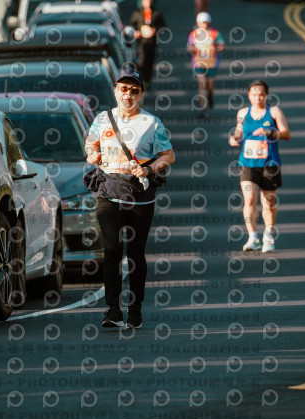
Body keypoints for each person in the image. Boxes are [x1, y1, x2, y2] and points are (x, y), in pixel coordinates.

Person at [84, 69, 175, 329]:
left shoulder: (151, 122)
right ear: (115, 91)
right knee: (112, 250)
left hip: (139, 195)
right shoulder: (103, 119)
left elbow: (169, 156)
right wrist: (92, 154)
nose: (128, 94)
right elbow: (91, 144)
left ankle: (135, 310)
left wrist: (148, 170)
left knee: (135, 253)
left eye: (134, 90)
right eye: (123, 89)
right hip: (108, 190)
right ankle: (113, 310)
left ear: (141, 94)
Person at [229, 80, 291, 253]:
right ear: (249, 96)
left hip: (270, 163)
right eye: (254, 95)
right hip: (248, 163)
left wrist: (270, 132)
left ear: (267, 95)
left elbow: (286, 133)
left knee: (268, 202)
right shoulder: (243, 113)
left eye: (261, 95)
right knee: (249, 199)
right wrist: (235, 138)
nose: (258, 98)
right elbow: (239, 130)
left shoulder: (274, 112)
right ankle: (253, 237)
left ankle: (268, 236)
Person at [186, 12, 225, 118]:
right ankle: (203, 109)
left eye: (207, 22)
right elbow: (189, 46)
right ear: (198, 23)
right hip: (198, 63)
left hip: (212, 63)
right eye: (203, 22)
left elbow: (222, 45)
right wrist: (194, 49)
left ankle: (210, 95)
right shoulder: (194, 34)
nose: (205, 24)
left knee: (210, 85)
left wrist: (215, 49)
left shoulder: (215, 33)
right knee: (202, 85)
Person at [130, 0, 167, 90]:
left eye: (150, 1)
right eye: (146, 1)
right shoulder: (137, 13)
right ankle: (140, 79)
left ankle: (147, 81)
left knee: (149, 62)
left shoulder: (157, 13)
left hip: (152, 42)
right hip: (141, 42)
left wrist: (155, 30)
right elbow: (132, 25)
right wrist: (136, 32)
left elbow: (163, 26)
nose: (149, 3)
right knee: (141, 61)